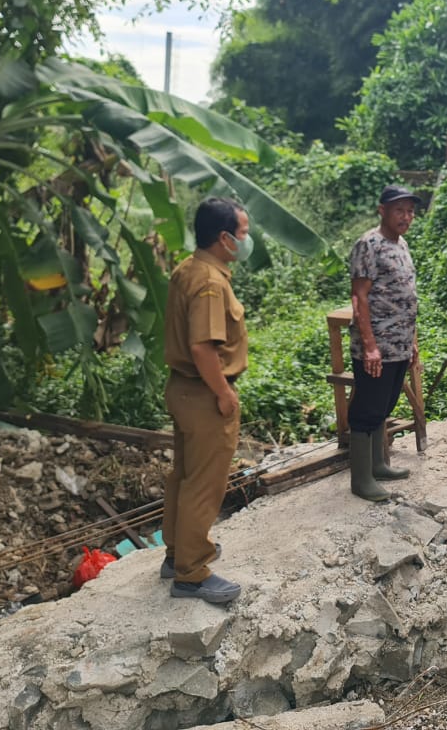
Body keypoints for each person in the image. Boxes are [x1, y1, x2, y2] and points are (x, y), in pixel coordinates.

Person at [161, 197, 251, 604]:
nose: (245, 241)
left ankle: (177, 552)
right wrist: (224, 393)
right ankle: (192, 573)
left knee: (184, 475)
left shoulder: (189, 268)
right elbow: (202, 347)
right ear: (224, 237)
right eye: (243, 234)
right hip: (204, 393)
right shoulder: (211, 283)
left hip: (182, 389)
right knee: (204, 483)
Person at [346, 184, 422, 501]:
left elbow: (405, 295)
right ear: (382, 211)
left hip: (399, 344)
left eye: (409, 211)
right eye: (398, 210)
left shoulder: (401, 243)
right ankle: (361, 479)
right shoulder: (369, 244)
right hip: (377, 345)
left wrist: (411, 342)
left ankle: (378, 464)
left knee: (385, 404)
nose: (405, 217)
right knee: (367, 408)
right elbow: (358, 296)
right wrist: (370, 346)